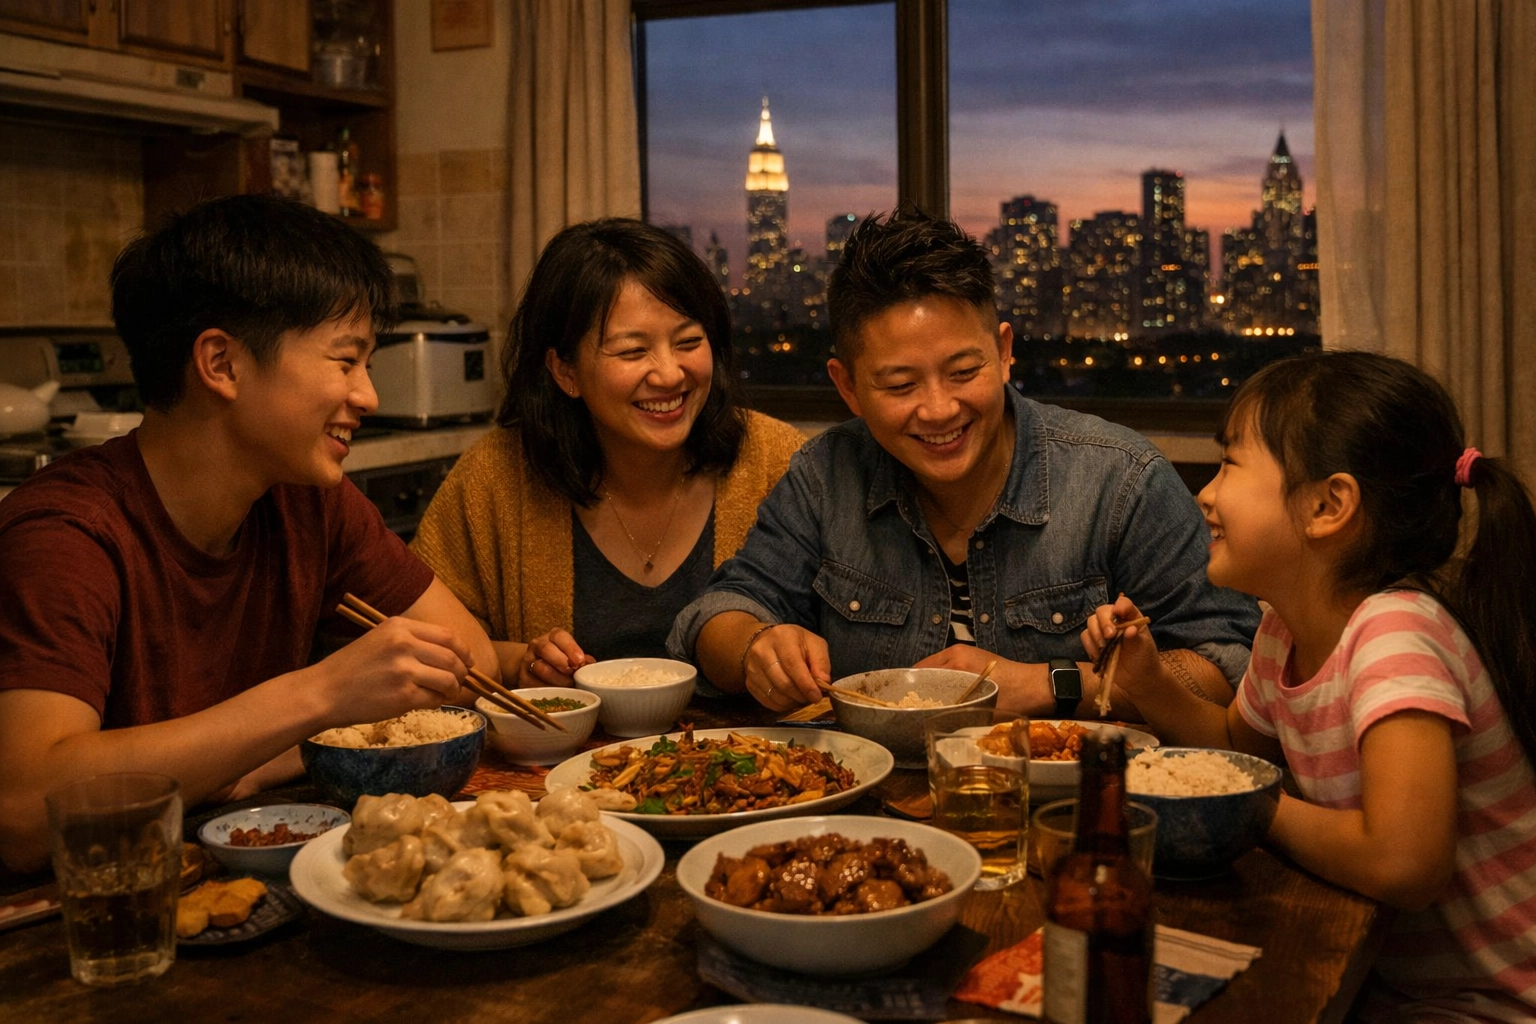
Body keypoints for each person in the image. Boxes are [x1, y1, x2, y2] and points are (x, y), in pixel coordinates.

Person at [0, 195, 497, 873]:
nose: (369, 397)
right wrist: (320, 694)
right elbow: (25, 812)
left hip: (249, 872)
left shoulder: (307, 499)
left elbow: (470, 662)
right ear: (222, 364)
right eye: (345, 360)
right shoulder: (67, 533)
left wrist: (270, 758)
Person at [1084, 352, 1536, 1022]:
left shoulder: (1395, 638)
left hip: (1491, 1002)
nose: (1205, 495)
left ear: (1328, 505)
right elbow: (1239, 746)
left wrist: (1249, 810)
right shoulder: (1285, 628)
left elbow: (1404, 861)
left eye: (1231, 464)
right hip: (1393, 983)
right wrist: (1151, 682)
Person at [669, 207, 1259, 716]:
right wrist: (756, 648)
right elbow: (715, 614)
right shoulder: (826, 475)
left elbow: (1226, 667)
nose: (938, 409)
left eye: (964, 372)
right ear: (847, 388)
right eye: (900, 385)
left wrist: (1049, 683)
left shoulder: (1121, 480)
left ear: (1004, 353)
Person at [410, 219, 805, 688]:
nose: (669, 374)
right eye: (633, 350)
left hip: (755, 756)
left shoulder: (780, 461)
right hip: (556, 761)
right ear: (565, 371)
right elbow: (415, 642)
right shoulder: (498, 475)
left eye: (688, 343)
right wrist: (519, 662)